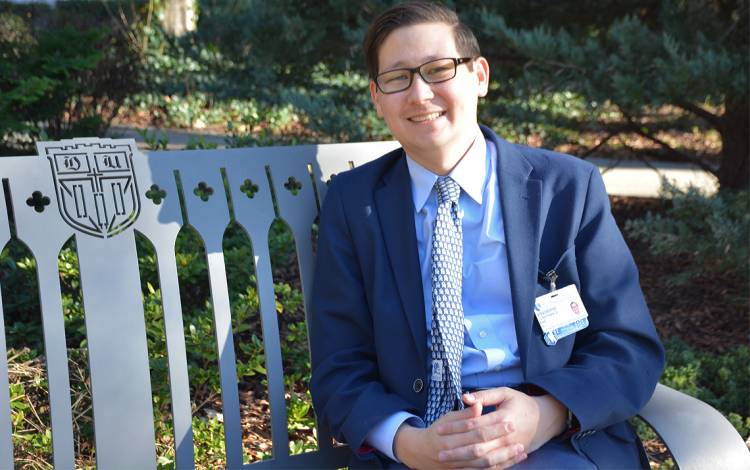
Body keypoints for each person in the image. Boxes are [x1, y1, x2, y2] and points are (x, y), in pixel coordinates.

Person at [309, 1, 665, 468]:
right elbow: (339, 365)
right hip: (415, 446)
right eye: (397, 78)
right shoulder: (354, 204)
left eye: (438, 69)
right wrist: (406, 442)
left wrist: (546, 413)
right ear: (377, 97)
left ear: (479, 76)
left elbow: (627, 344)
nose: (419, 94)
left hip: (551, 441)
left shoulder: (566, 190)